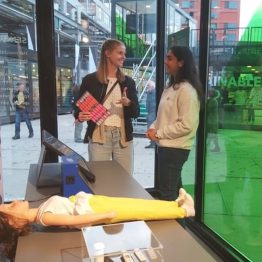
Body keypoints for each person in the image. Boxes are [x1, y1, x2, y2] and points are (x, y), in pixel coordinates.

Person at [0, 188, 194, 258]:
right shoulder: (44, 217)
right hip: (94, 210)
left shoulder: (41, 212)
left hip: (90, 203)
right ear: (15, 222)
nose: (12, 203)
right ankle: (183, 211)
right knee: (137, 210)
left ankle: (173, 204)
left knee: (135, 204)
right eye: (10, 208)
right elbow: (77, 221)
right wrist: (103, 216)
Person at [75, 39, 140, 175]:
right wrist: (79, 116)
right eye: (120, 53)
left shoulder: (128, 82)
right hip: (99, 135)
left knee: (125, 180)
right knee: (99, 179)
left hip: (122, 136)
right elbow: (78, 107)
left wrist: (128, 103)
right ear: (107, 53)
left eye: (124, 53)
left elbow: (136, 112)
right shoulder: (90, 80)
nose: (124, 56)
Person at [146, 46, 203, 200]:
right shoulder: (171, 87)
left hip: (175, 150)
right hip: (166, 148)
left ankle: (175, 224)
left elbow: (187, 125)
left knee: (168, 195)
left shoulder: (187, 91)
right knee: (176, 193)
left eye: (169, 58)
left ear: (181, 62)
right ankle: (181, 223)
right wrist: (152, 128)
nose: (165, 62)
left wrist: (158, 133)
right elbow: (162, 116)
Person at [144, 80, 156, 149]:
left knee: (151, 128)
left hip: (153, 113)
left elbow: (153, 103)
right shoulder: (149, 93)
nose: (147, 87)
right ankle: (152, 142)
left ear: (152, 86)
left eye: (148, 85)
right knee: (150, 128)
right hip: (150, 112)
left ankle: (153, 143)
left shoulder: (154, 93)